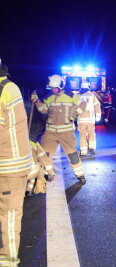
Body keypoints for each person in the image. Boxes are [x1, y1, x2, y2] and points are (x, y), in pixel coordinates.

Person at [0, 63, 32, 265]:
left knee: (10, 213)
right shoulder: (8, 87)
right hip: (11, 162)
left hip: (9, 164)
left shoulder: (4, 89)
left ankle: (9, 259)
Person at [31, 75, 87, 184]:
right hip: (50, 133)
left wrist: (73, 115)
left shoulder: (71, 96)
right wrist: (36, 101)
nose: (53, 90)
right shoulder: (49, 97)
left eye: (55, 88)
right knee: (45, 155)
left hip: (66, 133)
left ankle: (80, 175)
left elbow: (83, 105)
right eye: (51, 88)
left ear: (61, 86)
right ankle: (45, 176)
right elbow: (43, 110)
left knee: (72, 155)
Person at [77, 82, 101, 157]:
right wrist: (98, 116)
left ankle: (83, 152)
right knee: (91, 134)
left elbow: (74, 107)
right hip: (90, 119)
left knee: (82, 135)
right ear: (88, 87)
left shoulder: (78, 96)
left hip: (81, 120)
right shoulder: (92, 96)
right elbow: (97, 106)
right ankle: (91, 149)